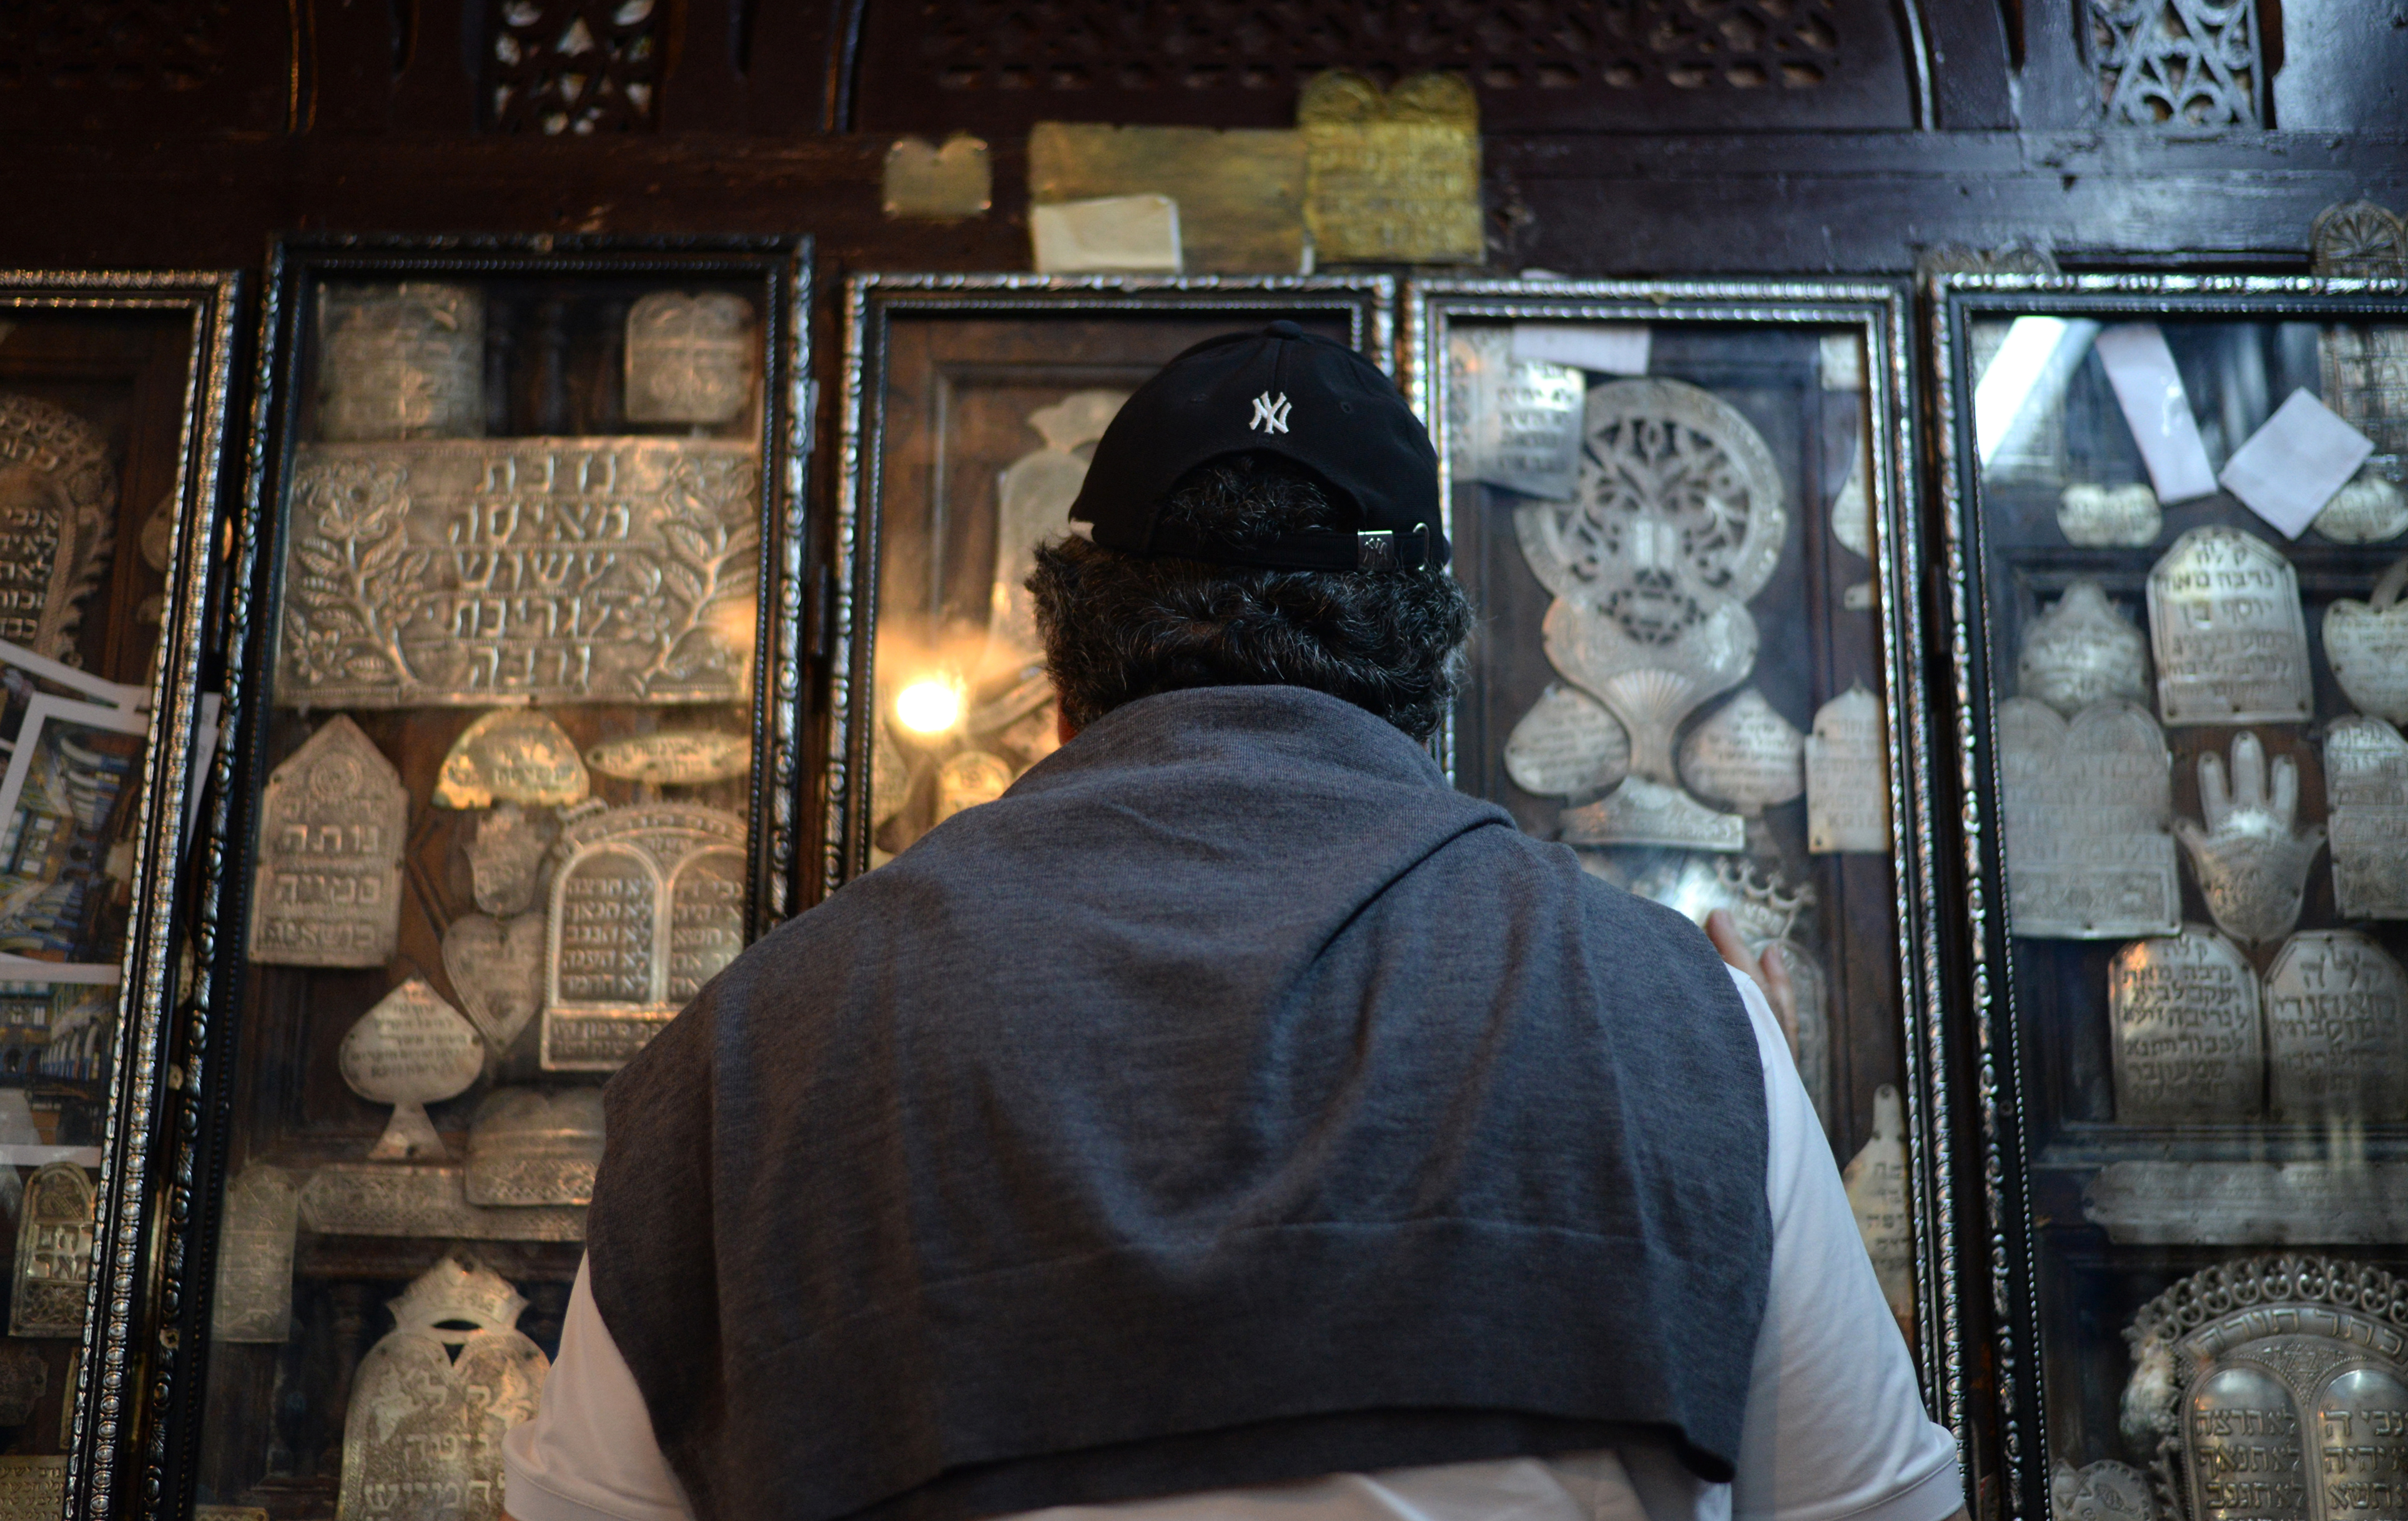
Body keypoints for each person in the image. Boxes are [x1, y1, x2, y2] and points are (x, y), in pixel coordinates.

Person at [501, 322, 1964, 1521]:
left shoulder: (755, 1052)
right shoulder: (1681, 1024)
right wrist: (1717, 1086)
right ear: (1426, 678)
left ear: (1059, 668)